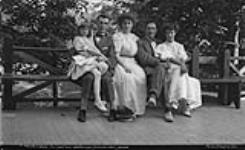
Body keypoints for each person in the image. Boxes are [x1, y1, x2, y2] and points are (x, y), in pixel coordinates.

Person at [70, 14, 117, 122]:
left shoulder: (109, 39)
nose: (103, 26)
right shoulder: (87, 37)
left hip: (103, 66)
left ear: (108, 25)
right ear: (96, 23)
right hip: (87, 65)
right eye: (100, 23)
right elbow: (77, 51)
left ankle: (112, 109)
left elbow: (112, 56)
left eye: (105, 23)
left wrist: (109, 64)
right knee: (89, 78)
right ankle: (83, 109)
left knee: (107, 79)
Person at [155, 24, 202, 119]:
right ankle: (182, 105)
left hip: (180, 71)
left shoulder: (179, 46)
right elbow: (167, 58)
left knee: (184, 76)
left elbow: (183, 58)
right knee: (179, 72)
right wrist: (181, 64)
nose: (169, 35)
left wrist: (182, 64)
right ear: (165, 34)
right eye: (167, 33)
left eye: (171, 33)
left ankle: (177, 102)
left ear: (175, 33)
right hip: (168, 70)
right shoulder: (161, 46)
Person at [135, 21, 174, 122]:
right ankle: (167, 110)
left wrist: (167, 62)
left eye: (153, 28)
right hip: (148, 69)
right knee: (162, 77)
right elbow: (143, 58)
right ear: (145, 30)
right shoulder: (140, 42)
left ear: (156, 31)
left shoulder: (160, 43)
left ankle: (153, 96)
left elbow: (167, 55)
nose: (150, 31)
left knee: (161, 73)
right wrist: (159, 63)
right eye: (148, 28)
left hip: (161, 69)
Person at [112, 14, 147, 121]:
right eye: (124, 23)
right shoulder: (117, 37)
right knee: (127, 79)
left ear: (132, 25)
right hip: (121, 61)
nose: (127, 26)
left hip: (133, 61)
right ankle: (125, 108)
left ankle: (137, 108)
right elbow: (116, 54)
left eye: (129, 23)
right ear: (121, 25)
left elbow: (139, 53)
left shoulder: (135, 38)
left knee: (141, 77)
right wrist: (124, 65)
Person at [68, 22, 108, 113]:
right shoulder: (77, 39)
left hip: (90, 60)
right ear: (79, 30)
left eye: (86, 29)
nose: (84, 31)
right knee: (97, 74)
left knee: (103, 68)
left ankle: (97, 97)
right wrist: (97, 55)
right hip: (81, 61)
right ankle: (97, 100)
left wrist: (101, 56)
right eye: (82, 29)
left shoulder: (89, 39)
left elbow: (94, 48)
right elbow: (85, 51)